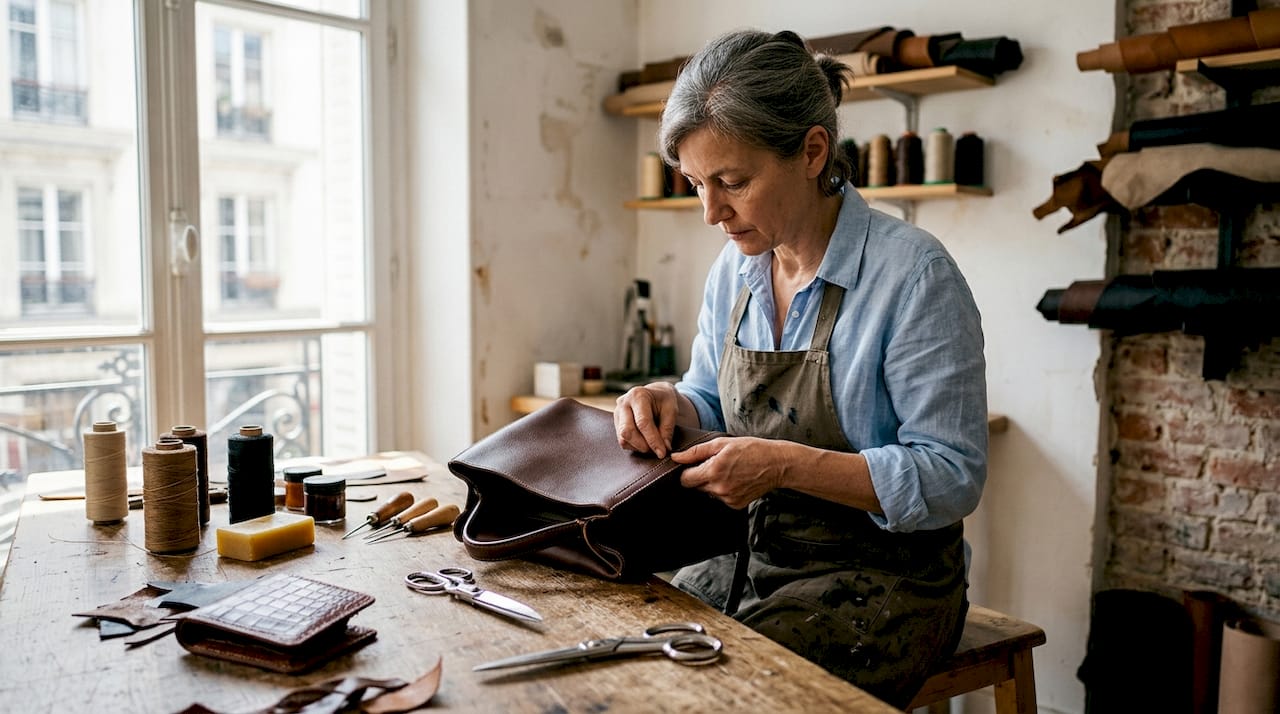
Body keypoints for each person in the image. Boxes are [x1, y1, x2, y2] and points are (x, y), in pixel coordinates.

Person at [612, 29, 988, 707]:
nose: (709, 213)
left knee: (740, 698)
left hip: (889, 579)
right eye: (696, 184)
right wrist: (670, 402)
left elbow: (953, 475)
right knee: (634, 669)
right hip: (751, 555)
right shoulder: (736, 269)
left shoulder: (913, 275)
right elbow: (711, 395)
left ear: (812, 152)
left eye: (732, 182)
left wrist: (784, 465)